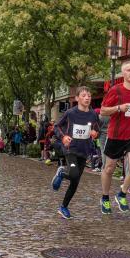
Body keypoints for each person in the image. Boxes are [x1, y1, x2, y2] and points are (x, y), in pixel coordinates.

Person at [99, 62, 130, 215]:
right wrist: (118, 108)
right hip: (116, 135)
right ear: (123, 73)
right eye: (128, 70)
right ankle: (105, 197)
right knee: (109, 168)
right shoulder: (116, 90)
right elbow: (103, 111)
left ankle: (122, 193)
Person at [51, 87, 100, 219]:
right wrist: (63, 137)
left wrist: (95, 133)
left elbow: (97, 128)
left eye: (89, 95)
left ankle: (63, 207)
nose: (87, 98)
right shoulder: (70, 113)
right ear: (77, 98)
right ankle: (62, 172)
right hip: (70, 148)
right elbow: (57, 126)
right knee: (73, 173)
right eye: (83, 95)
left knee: (75, 181)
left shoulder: (93, 114)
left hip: (84, 150)